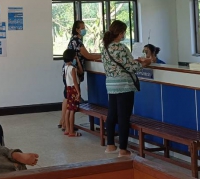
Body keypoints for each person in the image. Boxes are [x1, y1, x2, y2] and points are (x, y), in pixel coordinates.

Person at [102, 20, 152, 158]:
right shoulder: (121, 47)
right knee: (124, 117)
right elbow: (131, 67)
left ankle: (110, 145)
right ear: (120, 33)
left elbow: (118, 65)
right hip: (124, 85)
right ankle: (123, 150)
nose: (124, 34)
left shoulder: (105, 48)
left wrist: (133, 63)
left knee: (112, 114)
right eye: (124, 32)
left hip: (111, 85)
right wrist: (145, 63)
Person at [59, 20, 102, 130]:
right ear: (77, 29)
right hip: (73, 72)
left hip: (67, 72)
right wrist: (103, 55)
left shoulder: (74, 39)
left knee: (67, 97)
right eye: (82, 28)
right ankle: (67, 125)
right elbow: (88, 56)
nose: (84, 30)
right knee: (71, 100)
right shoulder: (77, 41)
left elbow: (86, 54)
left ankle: (63, 122)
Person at [63, 49, 81, 138]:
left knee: (68, 110)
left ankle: (67, 129)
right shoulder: (72, 68)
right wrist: (78, 92)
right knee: (72, 110)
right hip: (73, 89)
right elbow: (75, 81)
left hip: (68, 89)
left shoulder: (65, 67)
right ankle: (71, 131)